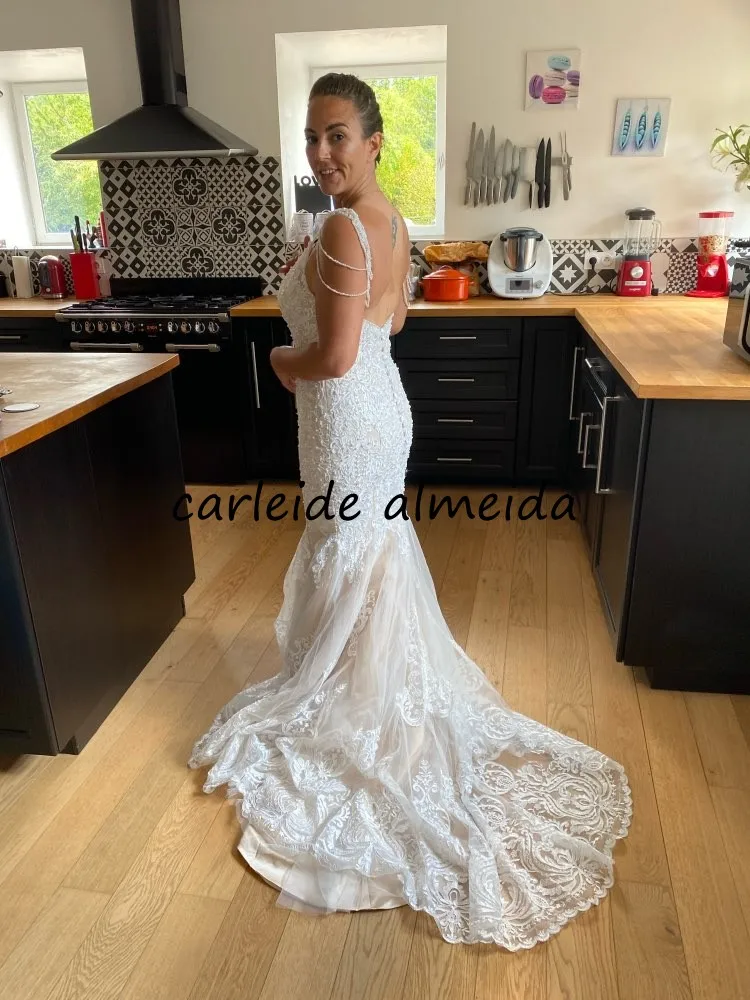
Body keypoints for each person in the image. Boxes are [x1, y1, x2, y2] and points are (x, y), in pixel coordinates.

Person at [189, 73, 632, 949]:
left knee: (351, 550)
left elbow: (332, 356)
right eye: (312, 137)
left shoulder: (341, 227)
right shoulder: (390, 223)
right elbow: (389, 324)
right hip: (377, 413)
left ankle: (353, 701)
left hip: (344, 417)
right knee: (368, 552)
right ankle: (368, 685)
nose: (321, 152)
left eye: (337, 136)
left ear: (374, 141)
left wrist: (278, 360)